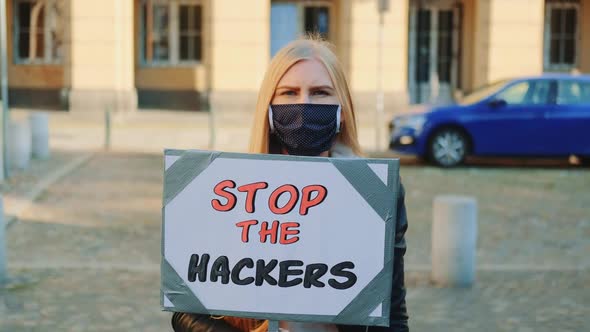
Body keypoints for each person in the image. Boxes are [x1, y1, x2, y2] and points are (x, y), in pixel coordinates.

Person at [171, 36, 409, 332]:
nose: (303, 105)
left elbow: (393, 309)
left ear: (343, 110)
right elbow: (186, 310)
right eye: (289, 92)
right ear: (269, 109)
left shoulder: (375, 192)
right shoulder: (228, 188)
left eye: (320, 93)